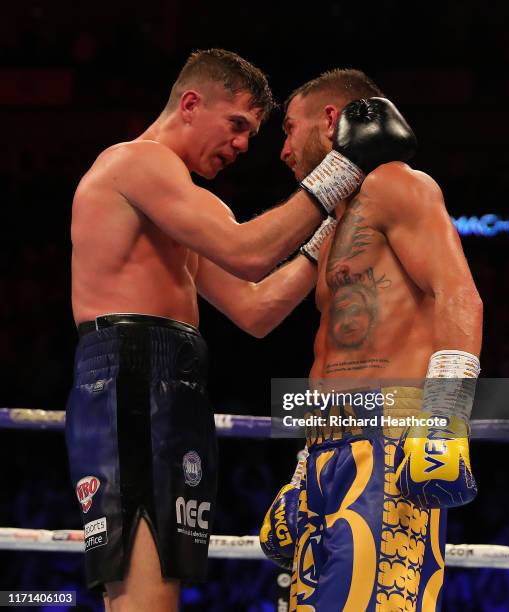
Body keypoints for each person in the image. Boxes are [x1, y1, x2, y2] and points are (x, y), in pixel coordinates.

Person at [65, 49, 415, 612]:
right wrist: (344, 166)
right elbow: (248, 253)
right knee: (142, 592)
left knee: (158, 590)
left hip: (168, 380)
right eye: (237, 125)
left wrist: (329, 224)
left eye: (252, 132)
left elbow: (257, 308)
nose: (243, 145)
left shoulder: (178, 206)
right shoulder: (139, 163)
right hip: (131, 377)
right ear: (191, 103)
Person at [260, 69, 483, 611]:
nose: (284, 149)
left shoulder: (397, 184)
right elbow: (279, 321)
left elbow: (459, 294)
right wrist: (302, 467)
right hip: (324, 451)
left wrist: (442, 421)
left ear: (330, 120)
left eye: (290, 129)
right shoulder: (333, 226)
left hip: (389, 444)